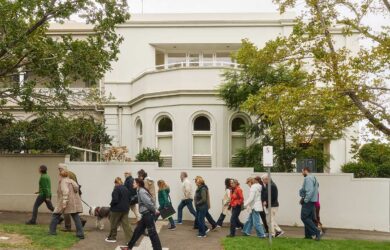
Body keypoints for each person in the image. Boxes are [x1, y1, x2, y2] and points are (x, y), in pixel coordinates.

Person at [125, 178, 162, 250]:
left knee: (152, 233)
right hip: (145, 215)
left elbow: (148, 203)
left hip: (148, 215)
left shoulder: (141, 191)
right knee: (137, 231)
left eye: (134, 183)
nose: (132, 184)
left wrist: (154, 210)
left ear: (138, 184)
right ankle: (129, 247)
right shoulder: (140, 191)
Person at [49, 169, 84, 239]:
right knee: (75, 216)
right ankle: (80, 234)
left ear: (60, 175)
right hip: (73, 202)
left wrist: (64, 203)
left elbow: (65, 192)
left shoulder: (63, 182)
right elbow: (76, 188)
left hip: (65, 202)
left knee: (55, 215)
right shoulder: (71, 181)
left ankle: (52, 231)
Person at [58, 163, 87, 231]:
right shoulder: (71, 173)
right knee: (73, 212)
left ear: (62, 168)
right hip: (74, 194)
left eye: (59, 169)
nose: (59, 170)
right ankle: (81, 221)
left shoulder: (67, 174)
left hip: (71, 195)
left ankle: (68, 227)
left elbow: (72, 185)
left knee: (67, 212)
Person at [105, 177, 133, 243]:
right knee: (126, 225)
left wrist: (111, 204)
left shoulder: (116, 189)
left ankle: (112, 238)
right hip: (125, 209)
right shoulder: (126, 189)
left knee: (113, 224)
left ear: (116, 183)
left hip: (116, 210)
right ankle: (131, 240)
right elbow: (130, 199)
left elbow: (115, 200)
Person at [299, 167, 321, 241]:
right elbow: (316, 187)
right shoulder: (314, 177)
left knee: (304, 217)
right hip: (313, 201)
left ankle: (316, 231)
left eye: (302, 171)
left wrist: (305, 200)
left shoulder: (308, 178)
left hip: (308, 201)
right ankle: (308, 235)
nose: (302, 173)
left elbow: (309, 191)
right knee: (309, 218)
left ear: (305, 171)